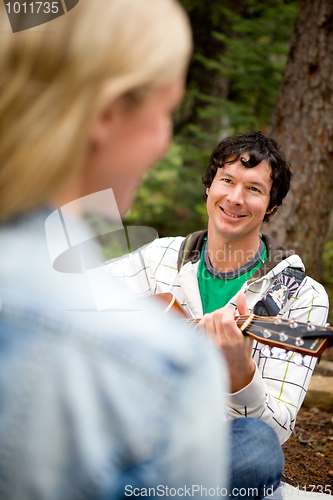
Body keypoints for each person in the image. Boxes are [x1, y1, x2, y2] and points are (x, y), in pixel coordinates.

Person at [0, 1, 236, 498]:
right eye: (166, 111)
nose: (165, 140)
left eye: (252, 189)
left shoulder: (289, 282)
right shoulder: (166, 364)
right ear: (107, 112)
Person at [107, 131, 329, 493]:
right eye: (227, 181)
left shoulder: (301, 298)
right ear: (209, 187)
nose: (235, 198)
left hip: (210, 445)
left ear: (271, 205)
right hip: (131, 423)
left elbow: (276, 430)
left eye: (254, 189)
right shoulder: (157, 258)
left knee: (257, 448)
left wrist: (240, 374)